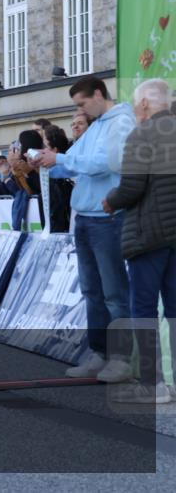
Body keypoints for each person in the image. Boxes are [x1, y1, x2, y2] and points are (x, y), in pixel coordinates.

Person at [35, 75, 136, 382]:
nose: (80, 111)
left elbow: (107, 163)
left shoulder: (121, 122)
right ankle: (100, 353)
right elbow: (77, 161)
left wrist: (60, 159)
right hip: (89, 218)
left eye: (81, 104)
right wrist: (48, 163)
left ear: (97, 94)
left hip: (108, 219)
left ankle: (121, 358)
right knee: (93, 291)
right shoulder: (100, 125)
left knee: (113, 293)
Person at [103, 79, 176, 403]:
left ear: (145, 103)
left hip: (149, 234)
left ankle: (153, 383)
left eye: (136, 104)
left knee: (144, 309)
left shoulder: (142, 134)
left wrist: (111, 201)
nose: (135, 109)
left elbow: (132, 187)